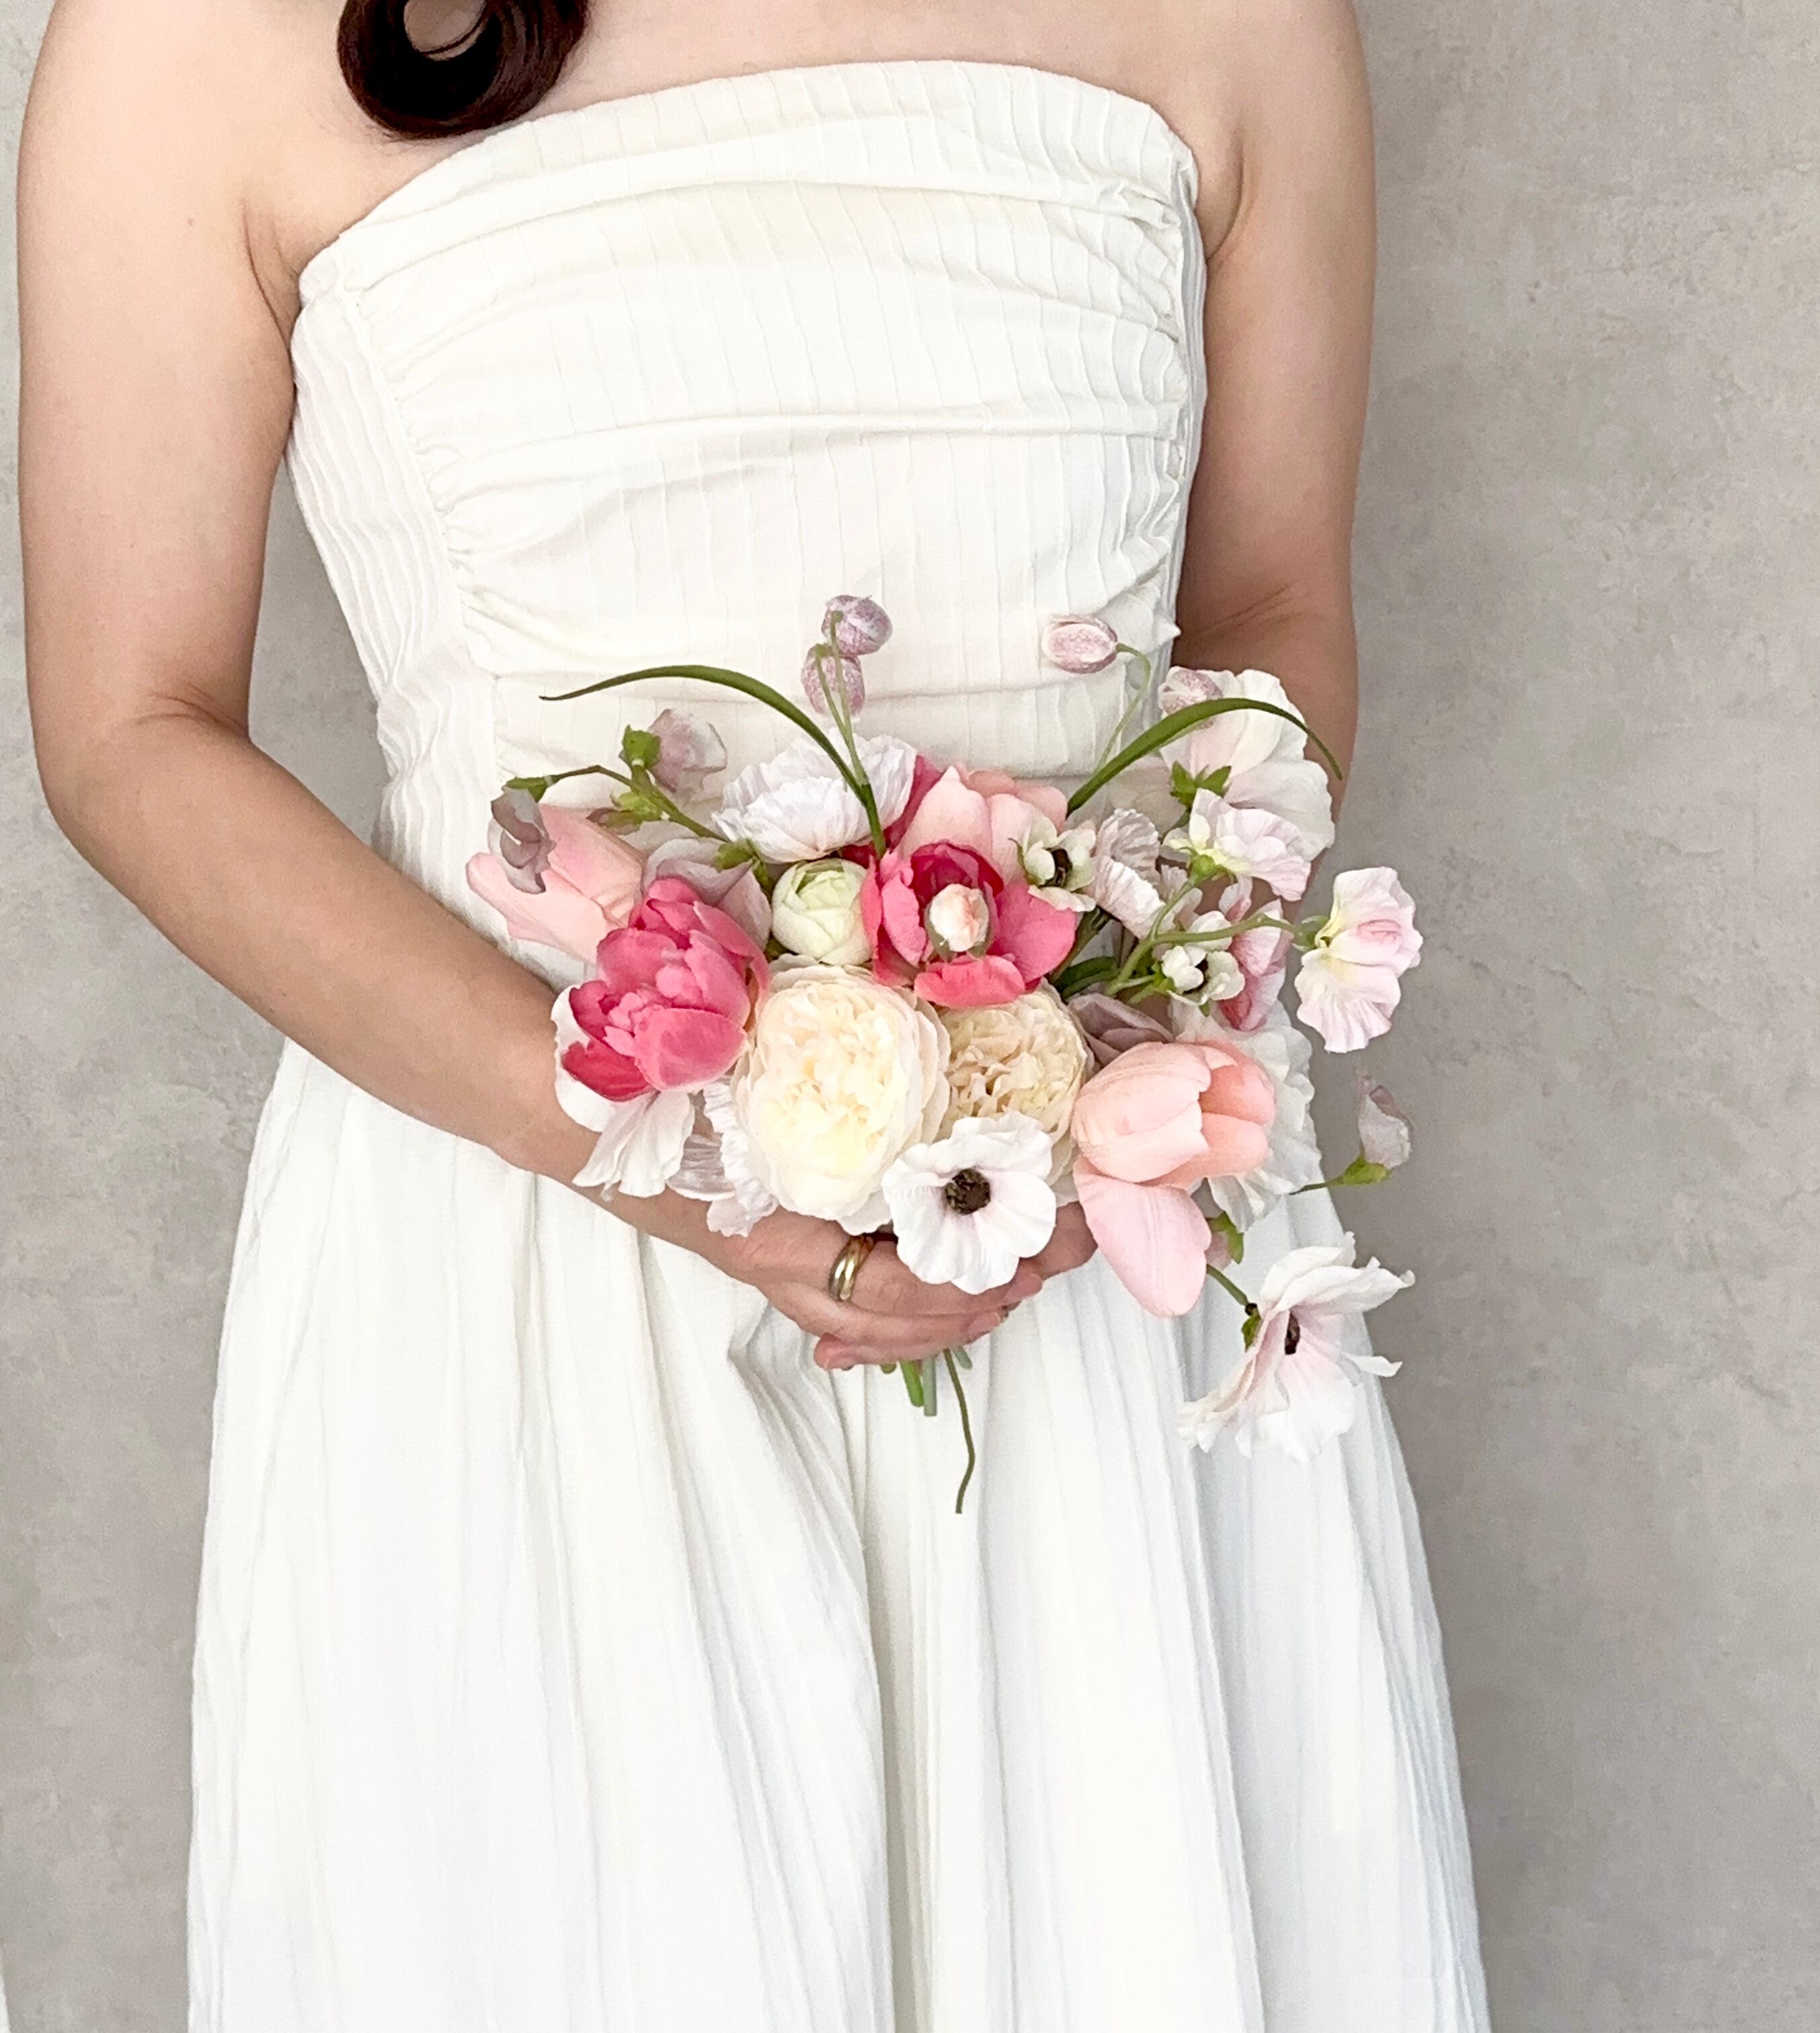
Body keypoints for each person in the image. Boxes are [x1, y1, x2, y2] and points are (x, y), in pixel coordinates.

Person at [19, 0, 1489, 2024]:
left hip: (1094, 1252)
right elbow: (129, 731)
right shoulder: (189, 40)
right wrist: (656, 1150)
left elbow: (1273, 616)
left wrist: (1097, 1048)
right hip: (527, 1234)